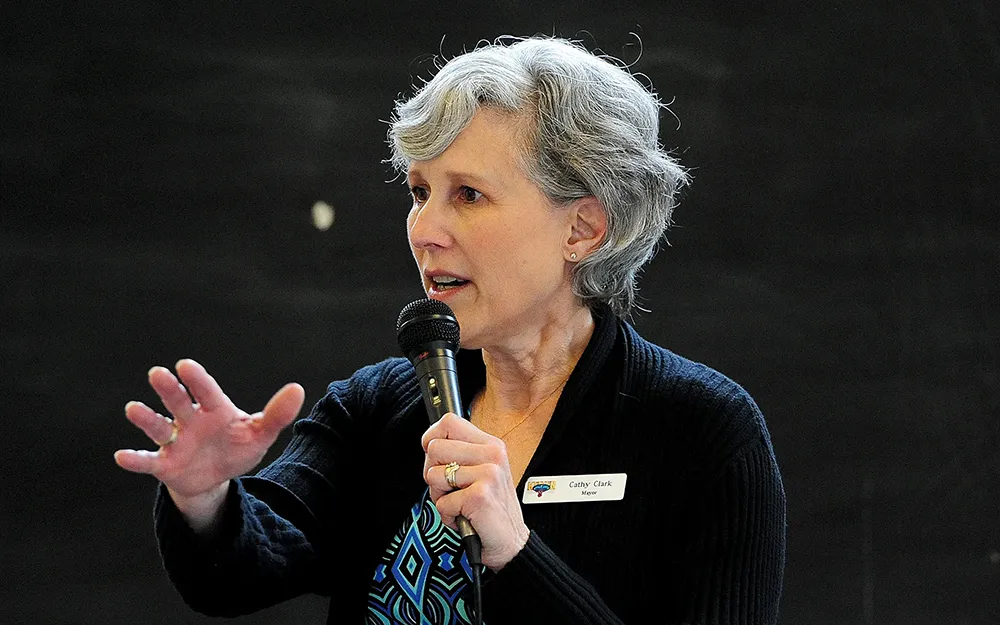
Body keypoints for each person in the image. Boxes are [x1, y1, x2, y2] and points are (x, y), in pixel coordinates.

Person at [115, 36, 786, 624]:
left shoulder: (704, 431)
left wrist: (516, 553)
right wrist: (205, 497)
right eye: (418, 191)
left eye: (468, 194)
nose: (425, 231)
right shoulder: (376, 408)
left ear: (583, 228)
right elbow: (245, 567)